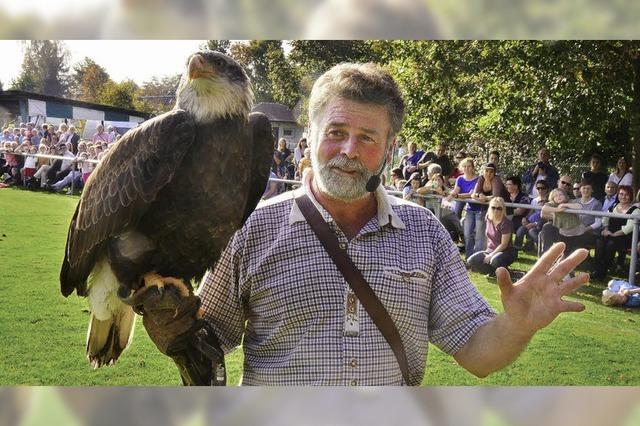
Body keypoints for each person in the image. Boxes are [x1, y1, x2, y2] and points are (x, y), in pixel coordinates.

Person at [136, 62, 589, 386]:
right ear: (310, 135)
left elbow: (478, 352)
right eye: (336, 133)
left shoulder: (426, 234)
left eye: (367, 138)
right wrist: (177, 330)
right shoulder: (252, 228)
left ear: (390, 148)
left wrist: (519, 325)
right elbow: (209, 342)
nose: (349, 150)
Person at [592, 185, 640, 280]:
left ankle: (602, 272)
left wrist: (613, 234)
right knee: (599, 242)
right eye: (621, 194)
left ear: (631, 196)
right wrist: (605, 229)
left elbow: (628, 228)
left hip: (624, 237)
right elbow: (605, 219)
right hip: (609, 233)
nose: (623, 196)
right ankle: (597, 269)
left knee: (611, 244)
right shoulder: (613, 206)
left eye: (626, 195)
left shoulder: (635, 210)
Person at [467, 197, 517, 277]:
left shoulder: (506, 223)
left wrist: (491, 255)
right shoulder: (488, 219)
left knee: (495, 260)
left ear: (503, 209)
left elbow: (504, 245)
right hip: (491, 250)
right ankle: (492, 272)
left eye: (499, 208)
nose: (496, 210)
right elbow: (489, 237)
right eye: (493, 207)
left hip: (506, 252)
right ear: (490, 208)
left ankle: (508, 273)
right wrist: (487, 251)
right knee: (472, 260)